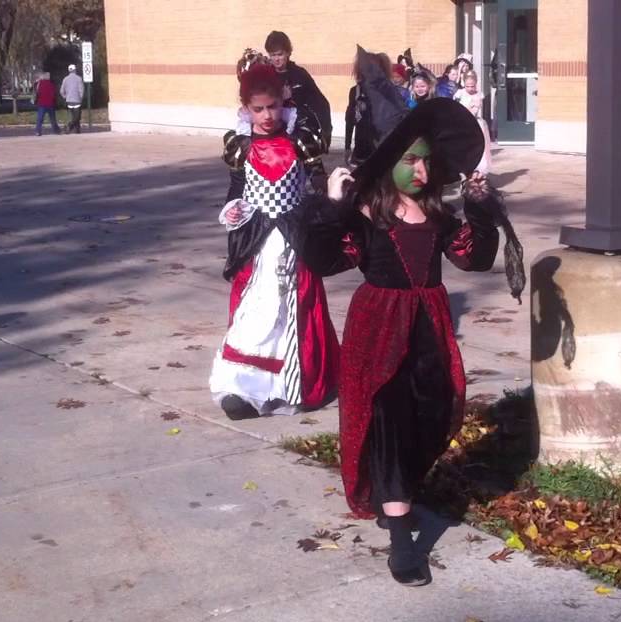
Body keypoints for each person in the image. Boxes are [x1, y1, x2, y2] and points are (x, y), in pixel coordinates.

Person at [303, 97, 523, 586]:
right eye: (409, 160)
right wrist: (332, 206)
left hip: (429, 328)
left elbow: (475, 259)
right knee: (388, 420)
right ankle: (402, 538)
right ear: (389, 165)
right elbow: (321, 259)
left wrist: (481, 210)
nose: (420, 169)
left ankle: (394, 491)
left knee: (430, 413)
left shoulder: (439, 219)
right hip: (378, 330)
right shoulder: (367, 217)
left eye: (425, 160)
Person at [210, 53, 339, 421]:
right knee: (257, 310)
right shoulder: (241, 146)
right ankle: (242, 387)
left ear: (284, 101)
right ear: (246, 108)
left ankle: (296, 385)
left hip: (295, 240)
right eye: (259, 109)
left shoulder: (302, 142)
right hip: (258, 244)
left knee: (295, 309)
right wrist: (233, 210)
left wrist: (327, 199)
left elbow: (316, 183)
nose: (267, 116)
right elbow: (236, 190)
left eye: (273, 107)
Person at [266, 31, 332, 192]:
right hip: (276, 134)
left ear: (288, 52)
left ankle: (326, 202)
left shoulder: (299, 74)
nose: (276, 59)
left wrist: (325, 133)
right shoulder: (265, 75)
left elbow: (320, 103)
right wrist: (280, 98)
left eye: (280, 54)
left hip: (303, 132)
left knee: (317, 176)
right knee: (282, 183)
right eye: (272, 55)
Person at [456, 71, 492, 173]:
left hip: (474, 122)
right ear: (464, 84)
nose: (470, 88)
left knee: (477, 147)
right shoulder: (460, 93)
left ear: (476, 84)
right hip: (462, 122)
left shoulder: (478, 95)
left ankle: (478, 169)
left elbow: (474, 110)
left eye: (472, 86)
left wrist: (467, 109)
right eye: (468, 86)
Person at [60, 64, 86, 134]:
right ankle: (70, 126)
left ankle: (77, 130)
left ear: (69, 70)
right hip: (77, 100)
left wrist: (65, 97)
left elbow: (61, 91)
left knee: (74, 116)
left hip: (69, 101)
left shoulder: (65, 79)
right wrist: (81, 98)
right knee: (77, 117)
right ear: (75, 70)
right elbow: (81, 90)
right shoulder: (79, 78)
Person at [33, 71, 59, 136]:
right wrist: (55, 101)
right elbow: (54, 94)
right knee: (53, 119)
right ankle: (56, 130)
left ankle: (38, 131)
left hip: (41, 103)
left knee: (40, 118)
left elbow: (36, 92)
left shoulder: (39, 84)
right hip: (50, 104)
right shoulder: (51, 84)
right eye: (48, 76)